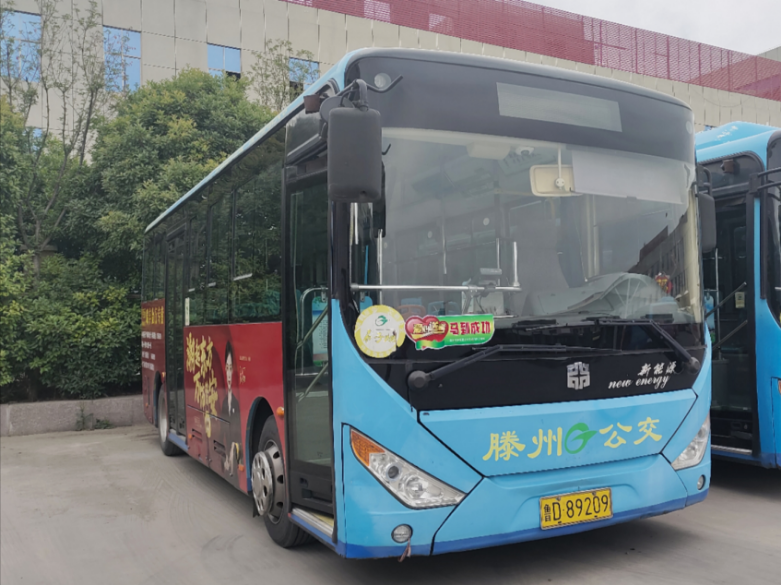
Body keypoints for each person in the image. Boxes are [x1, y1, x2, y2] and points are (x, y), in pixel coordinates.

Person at [221, 341, 241, 482]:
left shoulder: (236, 403)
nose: (229, 374)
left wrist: (233, 451)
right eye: (227, 368)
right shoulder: (223, 403)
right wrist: (225, 457)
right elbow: (221, 433)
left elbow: (239, 437)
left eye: (231, 368)